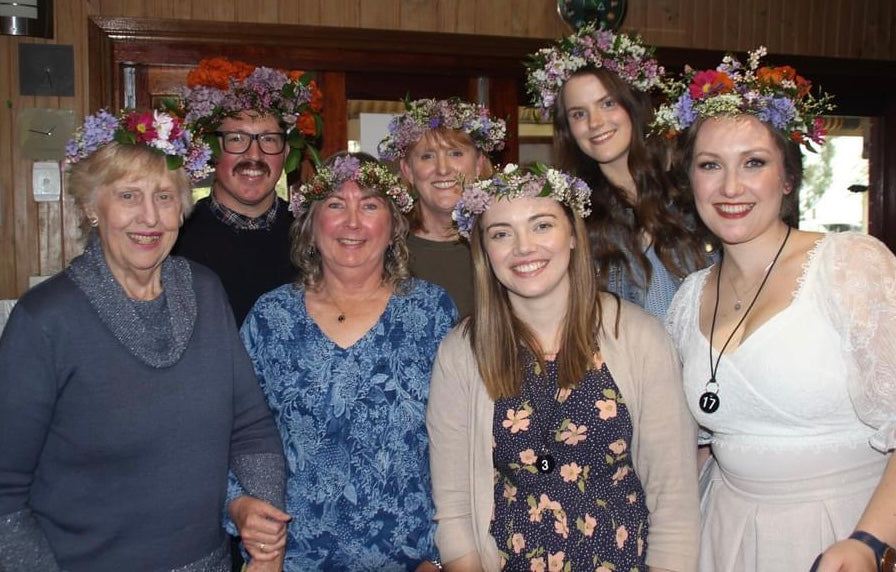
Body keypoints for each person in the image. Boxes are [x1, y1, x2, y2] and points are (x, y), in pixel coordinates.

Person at [0, 109, 287, 571]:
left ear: (182, 207)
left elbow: (251, 428)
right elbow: (5, 494)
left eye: (165, 196)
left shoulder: (205, 291)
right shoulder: (45, 320)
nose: (149, 217)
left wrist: (262, 515)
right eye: (128, 196)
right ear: (93, 208)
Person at [660, 47, 896, 571]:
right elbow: (701, 442)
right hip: (723, 531)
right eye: (709, 166)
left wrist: (870, 542)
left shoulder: (851, 265)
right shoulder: (688, 298)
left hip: (842, 533)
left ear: (787, 178)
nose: (730, 187)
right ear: (690, 182)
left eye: (754, 163)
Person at [427, 163, 699, 571]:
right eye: (501, 233)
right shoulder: (462, 351)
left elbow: (673, 497)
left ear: (573, 234)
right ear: (484, 251)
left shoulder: (640, 337)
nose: (523, 248)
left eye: (541, 225)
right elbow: (453, 506)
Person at [228, 151, 457, 571]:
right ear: (311, 227)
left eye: (369, 206)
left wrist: (443, 556)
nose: (353, 222)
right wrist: (238, 504)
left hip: (411, 560)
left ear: (393, 227)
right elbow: (228, 428)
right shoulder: (271, 317)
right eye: (335, 205)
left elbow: (464, 440)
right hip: (291, 558)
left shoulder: (431, 312)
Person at [525, 24, 709, 317]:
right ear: (568, 129)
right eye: (579, 114)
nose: (595, 122)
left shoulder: (694, 187)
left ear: (633, 106)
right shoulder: (574, 217)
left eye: (608, 103)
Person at [173, 56, 323, 325]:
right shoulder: (175, 239)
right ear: (211, 151)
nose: (254, 155)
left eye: (268, 140)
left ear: (286, 152)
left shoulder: (313, 237)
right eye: (237, 139)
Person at [378, 97, 506, 318]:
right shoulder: (385, 248)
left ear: (478, 164)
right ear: (408, 170)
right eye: (427, 156)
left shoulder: (503, 240)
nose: (443, 169)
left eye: (455, 153)